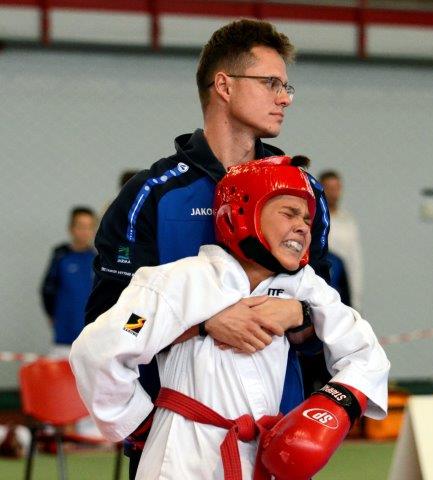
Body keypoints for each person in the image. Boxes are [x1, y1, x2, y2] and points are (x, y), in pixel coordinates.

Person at [85, 19, 331, 476]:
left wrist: (299, 315)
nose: (285, 98)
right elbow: (112, 319)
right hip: (175, 443)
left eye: (286, 86)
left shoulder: (302, 192)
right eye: (271, 83)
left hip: (278, 439)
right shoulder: (152, 195)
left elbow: (327, 315)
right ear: (224, 85)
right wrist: (200, 326)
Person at [71, 158, 389, 480]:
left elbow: (365, 352)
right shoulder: (181, 281)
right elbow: (104, 347)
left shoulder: (306, 288)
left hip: (265, 455)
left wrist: (329, 410)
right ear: (239, 215)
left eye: (307, 218)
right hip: (183, 457)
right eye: (289, 213)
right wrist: (136, 422)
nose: (303, 227)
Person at [41, 206, 97, 358]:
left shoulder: (98, 260)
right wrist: (52, 316)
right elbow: (47, 289)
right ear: (71, 228)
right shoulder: (61, 256)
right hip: (64, 336)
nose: (85, 231)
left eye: (89, 227)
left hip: (90, 338)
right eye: (81, 226)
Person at [319, 170, 363, 311]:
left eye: (336, 188)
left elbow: (355, 261)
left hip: (343, 288)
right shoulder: (313, 219)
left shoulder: (348, 221)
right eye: (329, 188)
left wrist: (356, 301)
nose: (333, 193)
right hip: (320, 286)